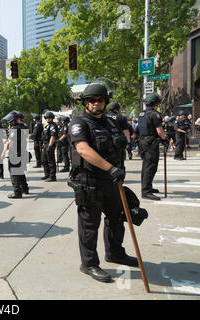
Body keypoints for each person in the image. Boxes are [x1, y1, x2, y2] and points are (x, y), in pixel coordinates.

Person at [68, 82, 137, 284]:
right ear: (86, 103)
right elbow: (83, 150)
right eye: (92, 100)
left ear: (105, 101)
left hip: (112, 180)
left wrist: (118, 169)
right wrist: (110, 168)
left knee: (116, 218)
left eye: (100, 99)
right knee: (90, 225)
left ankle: (115, 253)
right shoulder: (79, 122)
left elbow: (120, 143)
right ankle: (89, 264)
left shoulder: (110, 122)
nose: (97, 103)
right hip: (89, 181)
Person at [136, 93, 167, 201]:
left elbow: (138, 129)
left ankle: (147, 187)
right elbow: (160, 131)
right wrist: (164, 139)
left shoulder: (141, 114)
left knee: (146, 166)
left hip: (143, 142)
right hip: (151, 143)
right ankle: (146, 191)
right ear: (155, 103)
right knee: (151, 167)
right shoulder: (155, 114)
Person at [1, 111, 29, 198]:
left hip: (15, 153)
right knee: (19, 171)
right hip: (21, 152)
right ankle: (25, 189)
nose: (9, 122)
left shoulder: (15, 129)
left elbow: (10, 142)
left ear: (15, 120)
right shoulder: (22, 127)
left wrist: (4, 152)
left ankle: (17, 192)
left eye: (11, 121)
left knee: (14, 173)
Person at [106, 102, 130, 171]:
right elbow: (126, 131)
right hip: (119, 142)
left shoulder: (104, 117)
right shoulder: (121, 117)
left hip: (107, 142)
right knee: (120, 162)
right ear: (117, 109)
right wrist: (128, 142)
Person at [41, 111, 58, 182]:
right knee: (44, 160)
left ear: (52, 118)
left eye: (49, 118)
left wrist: (50, 146)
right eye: (46, 118)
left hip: (49, 144)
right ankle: (47, 174)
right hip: (45, 144)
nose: (48, 119)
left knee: (50, 161)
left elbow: (53, 136)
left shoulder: (53, 126)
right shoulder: (47, 125)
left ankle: (52, 176)